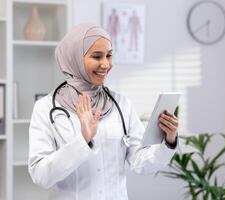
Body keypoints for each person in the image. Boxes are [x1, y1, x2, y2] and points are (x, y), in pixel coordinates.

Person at [28, 23, 178, 200]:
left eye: (109, 55)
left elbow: (140, 162)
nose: (106, 64)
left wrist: (168, 141)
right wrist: (82, 141)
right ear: (73, 57)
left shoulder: (121, 104)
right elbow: (41, 175)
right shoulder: (45, 107)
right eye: (97, 56)